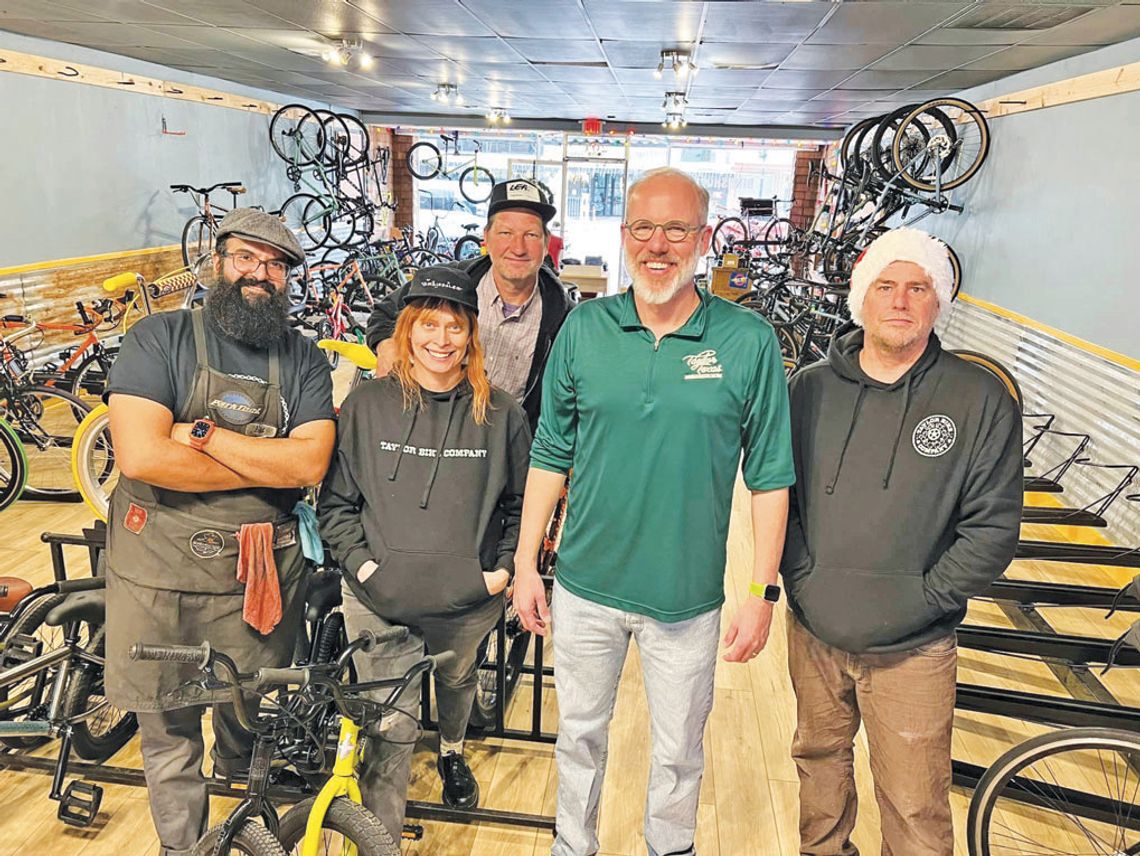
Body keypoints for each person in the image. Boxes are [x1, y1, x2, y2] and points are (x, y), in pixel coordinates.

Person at [512, 167, 795, 856]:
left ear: (702, 237)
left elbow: (771, 476)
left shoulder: (747, 341)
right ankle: (571, 847)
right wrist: (525, 566)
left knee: (677, 753)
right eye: (643, 227)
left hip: (686, 596)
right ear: (623, 234)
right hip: (585, 588)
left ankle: (670, 849)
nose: (658, 244)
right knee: (577, 737)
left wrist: (760, 592)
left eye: (676, 228)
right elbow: (550, 452)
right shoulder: (584, 329)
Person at [779, 227, 1023, 856]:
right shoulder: (809, 389)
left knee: (914, 806)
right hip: (815, 633)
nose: (900, 301)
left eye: (918, 288)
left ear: (939, 301)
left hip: (915, 647)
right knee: (819, 775)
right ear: (861, 296)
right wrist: (803, 582)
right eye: (885, 285)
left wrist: (923, 598)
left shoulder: (978, 398)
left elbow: (992, 528)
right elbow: (782, 500)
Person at [103, 208, 336, 855]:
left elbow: (309, 462)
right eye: (246, 258)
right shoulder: (158, 339)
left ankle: (248, 829)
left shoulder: (304, 358)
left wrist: (202, 437)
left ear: (288, 278)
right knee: (170, 731)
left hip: (255, 580)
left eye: (275, 264)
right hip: (159, 578)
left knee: (249, 720)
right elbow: (142, 457)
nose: (259, 273)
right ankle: (186, 849)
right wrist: (264, 468)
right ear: (218, 260)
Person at [318, 266, 532, 841]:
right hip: (377, 598)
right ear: (407, 329)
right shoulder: (365, 405)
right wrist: (364, 566)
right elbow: (336, 502)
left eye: (455, 326)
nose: (441, 339)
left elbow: (521, 504)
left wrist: (499, 572)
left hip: (466, 599)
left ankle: (454, 751)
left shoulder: (503, 413)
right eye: (428, 324)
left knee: (458, 683)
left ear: (471, 336)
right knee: (389, 730)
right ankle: (380, 843)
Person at [366, 178, 575, 431]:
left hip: (509, 449)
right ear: (486, 237)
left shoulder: (566, 318)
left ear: (545, 243)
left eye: (530, 235)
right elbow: (384, 314)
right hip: (431, 433)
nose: (518, 248)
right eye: (505, 233)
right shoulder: (445, 283)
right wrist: (387, 344)